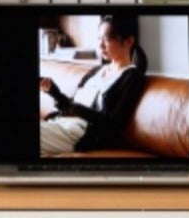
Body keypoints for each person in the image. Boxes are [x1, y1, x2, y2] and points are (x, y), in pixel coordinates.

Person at [38, 12, 149, 156]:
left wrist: (75, 108)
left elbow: (114, 124)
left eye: (106, 39)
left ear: (129, 41)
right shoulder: (96, 70)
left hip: (80, 134)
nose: (100, 44)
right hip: (61, 123)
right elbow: (71, 105)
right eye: (98, 39)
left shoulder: (132, 77)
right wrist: (53, 91)